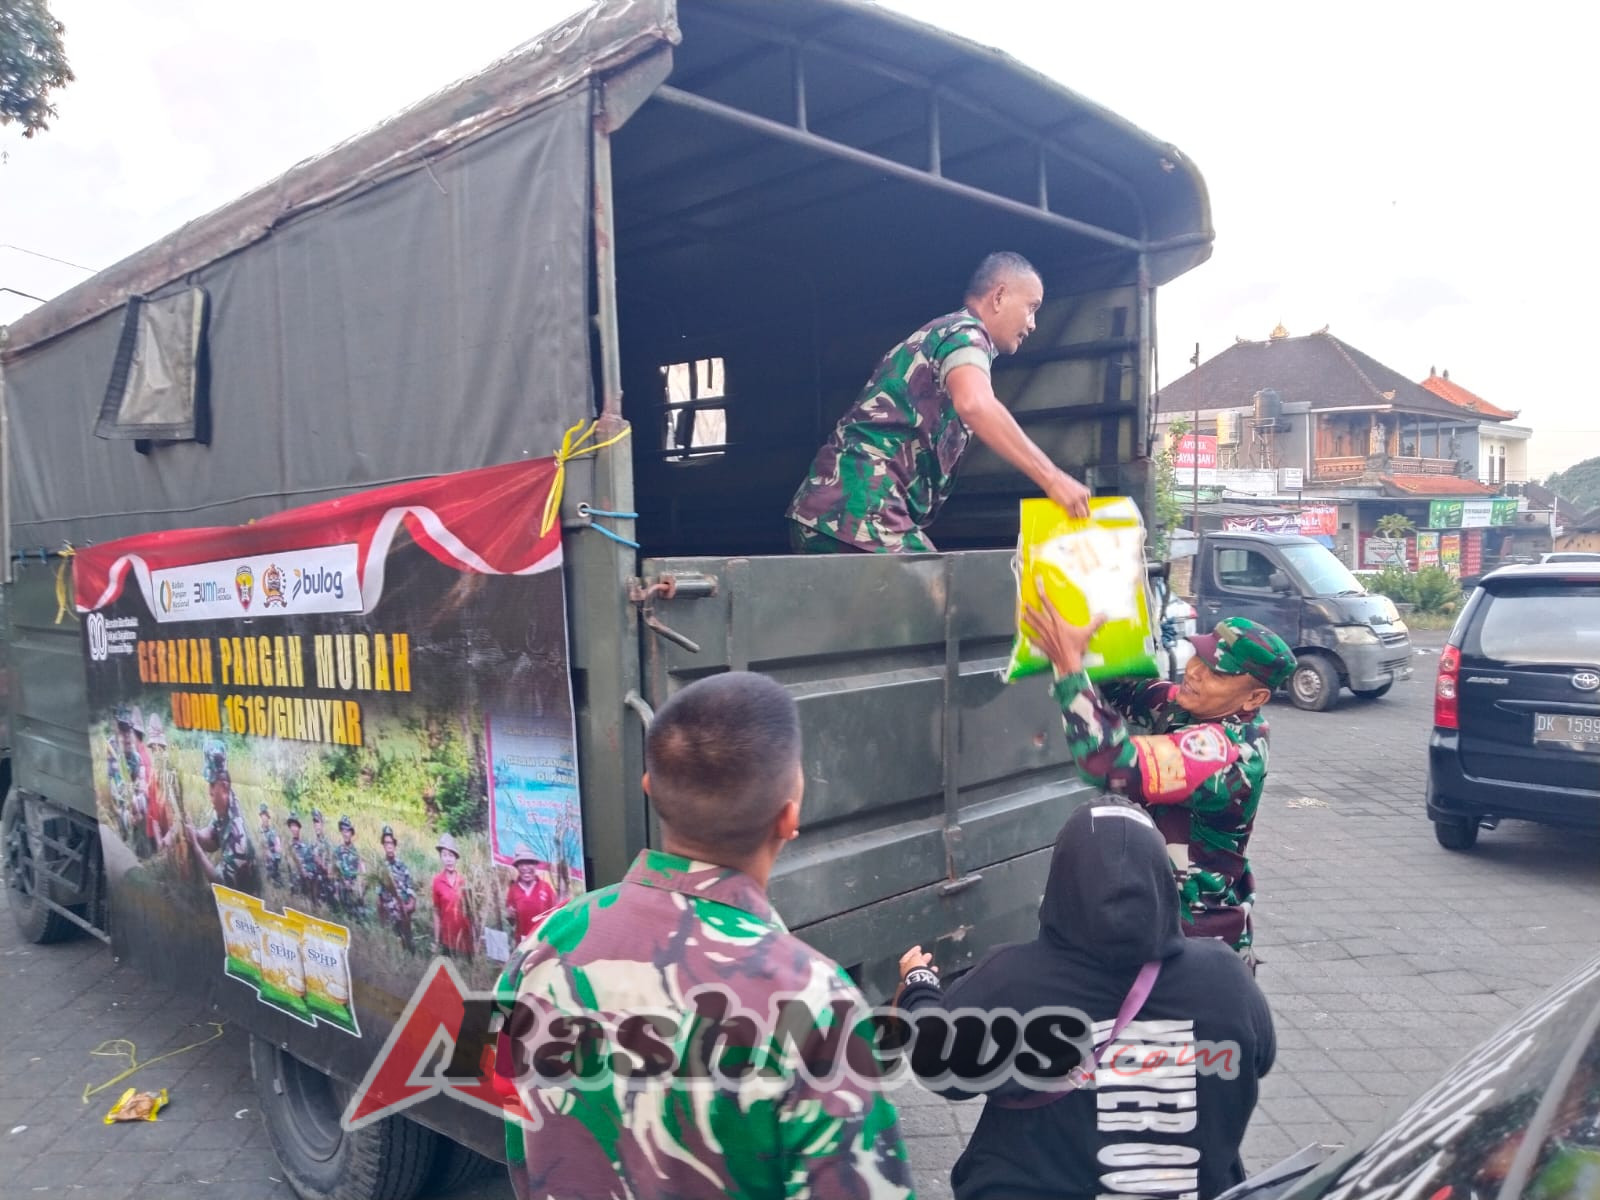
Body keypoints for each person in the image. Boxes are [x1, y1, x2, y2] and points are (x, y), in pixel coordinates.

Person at [493, 671, 914, 1200]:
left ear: (649, 789)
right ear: (789, 817)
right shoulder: (814, 1002)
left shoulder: (543, 944)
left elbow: (517, 1126)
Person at [895, 798, 1276, 1200]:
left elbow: (941, 1068)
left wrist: (917, 986)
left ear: (1063, 881)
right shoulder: (1225, 977)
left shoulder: (1012, 982)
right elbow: (1260, 1059)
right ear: (1162, 880)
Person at [1022, 580, 1297, 966]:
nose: (1196, 672)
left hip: (1197, 941)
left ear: (1254, 698)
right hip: (1156, 921)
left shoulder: (1229, 750)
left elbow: (1114, 764)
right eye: (1199, 656)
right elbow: (1128, 689)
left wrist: (1069, 669)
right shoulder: (1191, 707)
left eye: (1216, 673)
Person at [786, 252, 1091, 554]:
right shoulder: (966, 334)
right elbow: (975, 404)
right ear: (999, 296)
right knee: (941, 594)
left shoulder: (944, 335)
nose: (1033, 323)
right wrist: (1052, 479)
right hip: (858, 508)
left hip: (827, 510)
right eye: (1031, 307)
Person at [187, 740, 259, 892]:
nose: (209, 792)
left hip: (243, 903)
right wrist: (196, 834)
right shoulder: (226, 805)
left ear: (225, 787)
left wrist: (195, 847)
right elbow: (214, 838)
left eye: (213, 785)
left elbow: (219, 884)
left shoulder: (238, 841)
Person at [431, 833, 476, 958]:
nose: (448, 859)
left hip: (466, 941)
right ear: (441, 858)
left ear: (456, 858)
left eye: (451, 855)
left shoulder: (464, 881)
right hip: (448, 939)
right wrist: (436, 940)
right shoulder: (437, 881)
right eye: (445, 855)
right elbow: (436, 912)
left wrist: (475, 937)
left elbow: (472, 913)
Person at [504, 845, 557, 943]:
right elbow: (511, 921)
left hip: (542, 941)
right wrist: (510, 916)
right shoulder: (513, 890)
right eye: (521, 864)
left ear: (535, 865)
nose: (525, 868)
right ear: (517, 867)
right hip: (522, 942)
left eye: (529, 863)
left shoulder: (546, 888)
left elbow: (555, 916)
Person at [376, 824, 417, 952]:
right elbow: (378, 898)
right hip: (390, 916)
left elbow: (411, 890)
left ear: (394, 845)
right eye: (386, 843)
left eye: (391, 842)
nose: (389, 845)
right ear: (383, 845)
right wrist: (382, 922)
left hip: (403, 913)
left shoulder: (402, 866)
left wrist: (409, 906)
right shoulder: (381, 869)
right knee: (394, 949)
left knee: (409, 947)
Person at [333, 815, 366, 917]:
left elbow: (363, 874)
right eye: (343, 831)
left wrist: (356, 887)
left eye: (347, 831)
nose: (345, 834)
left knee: (359, 915)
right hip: (341, 887)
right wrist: (338, 888)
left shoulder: (356, 852)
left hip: (353, 889)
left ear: (351, 833)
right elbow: (334, 872)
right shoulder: (337, 851)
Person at [259, 803, 283, 887]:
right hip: (262, 864)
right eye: (262, 815)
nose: (264, 818)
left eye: (266, 816)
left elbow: (277, 844)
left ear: (268, 817)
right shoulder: (258, 832)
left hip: (272, 862)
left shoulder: (272, 831)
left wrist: (277, 848)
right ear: (261, 817)